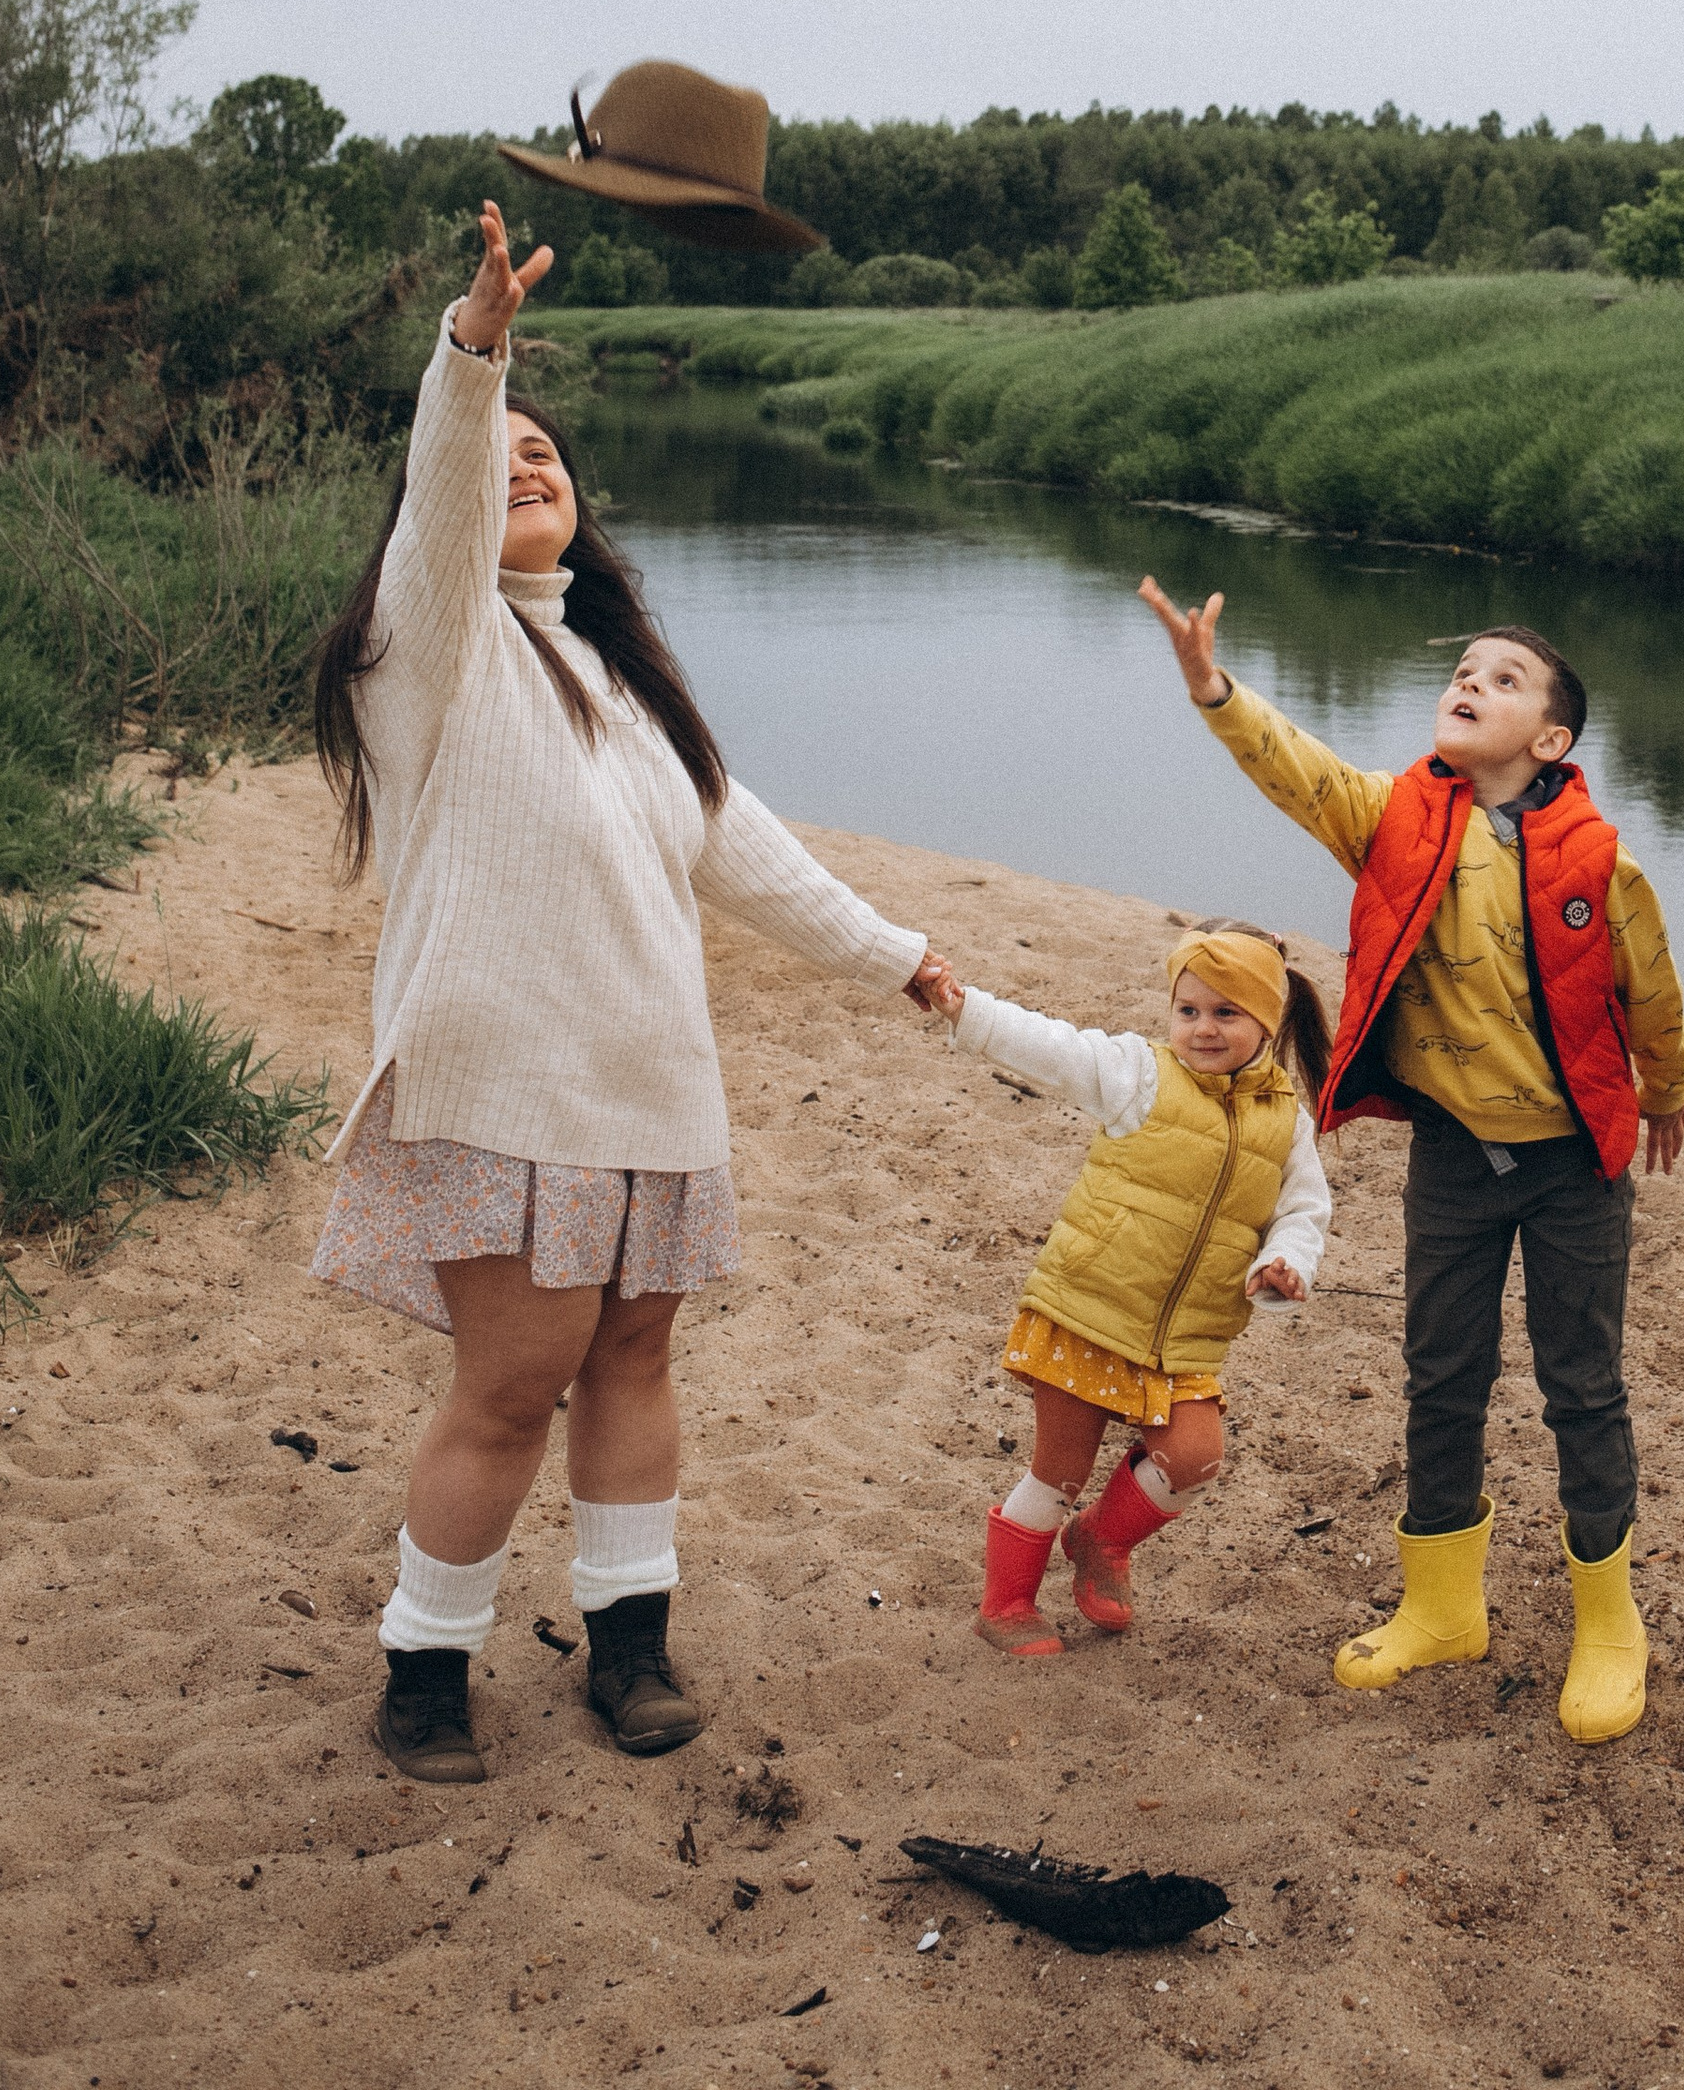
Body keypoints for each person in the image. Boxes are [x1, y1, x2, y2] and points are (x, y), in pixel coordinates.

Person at [311, 204, 951, 1786]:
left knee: (637, 1363)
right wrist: (477, 356)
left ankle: (630, 1645)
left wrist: (896, 956)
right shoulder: (429, 654)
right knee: (513, 1382)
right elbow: (442, 512)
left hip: (654, 1085)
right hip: (501, 1083)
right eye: (502, 456)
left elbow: (748, 852)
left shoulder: (628, 679)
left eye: (551, 458)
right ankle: (426, 1665)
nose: (529, 466)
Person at [1140, 593, 1684, 1745]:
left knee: (1580, 1385)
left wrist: (1672, 1086)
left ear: (1551, 740)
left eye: (1504, 680)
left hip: (1571, 1165)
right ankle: (1443, 1606)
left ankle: (1609, 1620)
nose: (1472, 684)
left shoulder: (1599, 858)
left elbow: (1650, 986)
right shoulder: (1394, 817)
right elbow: (1295, 772)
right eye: (1466, 672)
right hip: (1453, 1154)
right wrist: (1212, 685)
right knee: (1440, 1376)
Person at [921, 923, 1334, 1658]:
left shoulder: (1287, 1123)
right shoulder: (1139, 1074)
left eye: (1226, 1013)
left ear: (1268, 1021)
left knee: (1196, 1457)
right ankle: (1005, 1601)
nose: (1202, 1029)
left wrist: (1285, 1264)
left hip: (1186, 1338)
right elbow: (1050, 1047)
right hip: (1090, 1310)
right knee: (1059, 1471)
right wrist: (965, 1009)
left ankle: (1100, 1543)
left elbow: (1303, 1211)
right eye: (1188, 1011)